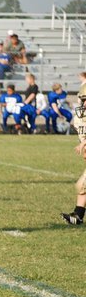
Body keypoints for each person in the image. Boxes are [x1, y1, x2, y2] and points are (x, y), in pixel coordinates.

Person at [62, 82, 86, 225]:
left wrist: (83, 144)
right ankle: (78, 215)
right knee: (82, 185)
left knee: (82, 184)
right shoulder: (80, 118)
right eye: (83, 100)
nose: (83, 104)